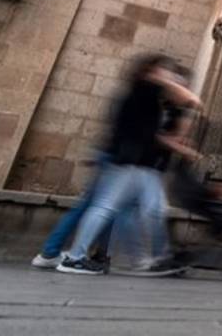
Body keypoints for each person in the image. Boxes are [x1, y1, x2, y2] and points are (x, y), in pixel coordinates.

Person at [56, 54, 201, 275]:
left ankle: (153, 259)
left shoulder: (149, 95)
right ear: (150, 72)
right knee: (105, 208)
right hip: (127, 161)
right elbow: (191, 100)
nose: (169, 74)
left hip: (141, 163)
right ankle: (75, 257)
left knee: (153, 209)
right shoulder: (144, 89)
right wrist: (169, 82)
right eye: (165, 70)